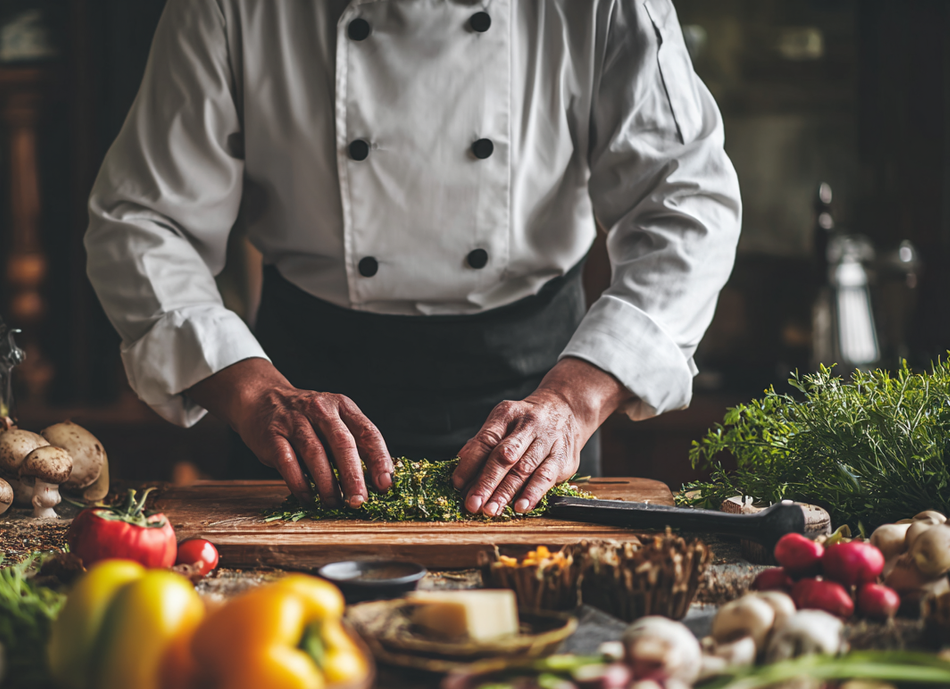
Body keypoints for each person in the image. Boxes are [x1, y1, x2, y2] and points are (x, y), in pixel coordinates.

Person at [85, 0, 741, 516]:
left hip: (537, 391)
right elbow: (144, 219)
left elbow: (687, 204)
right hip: (302, 395)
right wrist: (254, 392)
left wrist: (574, 401)